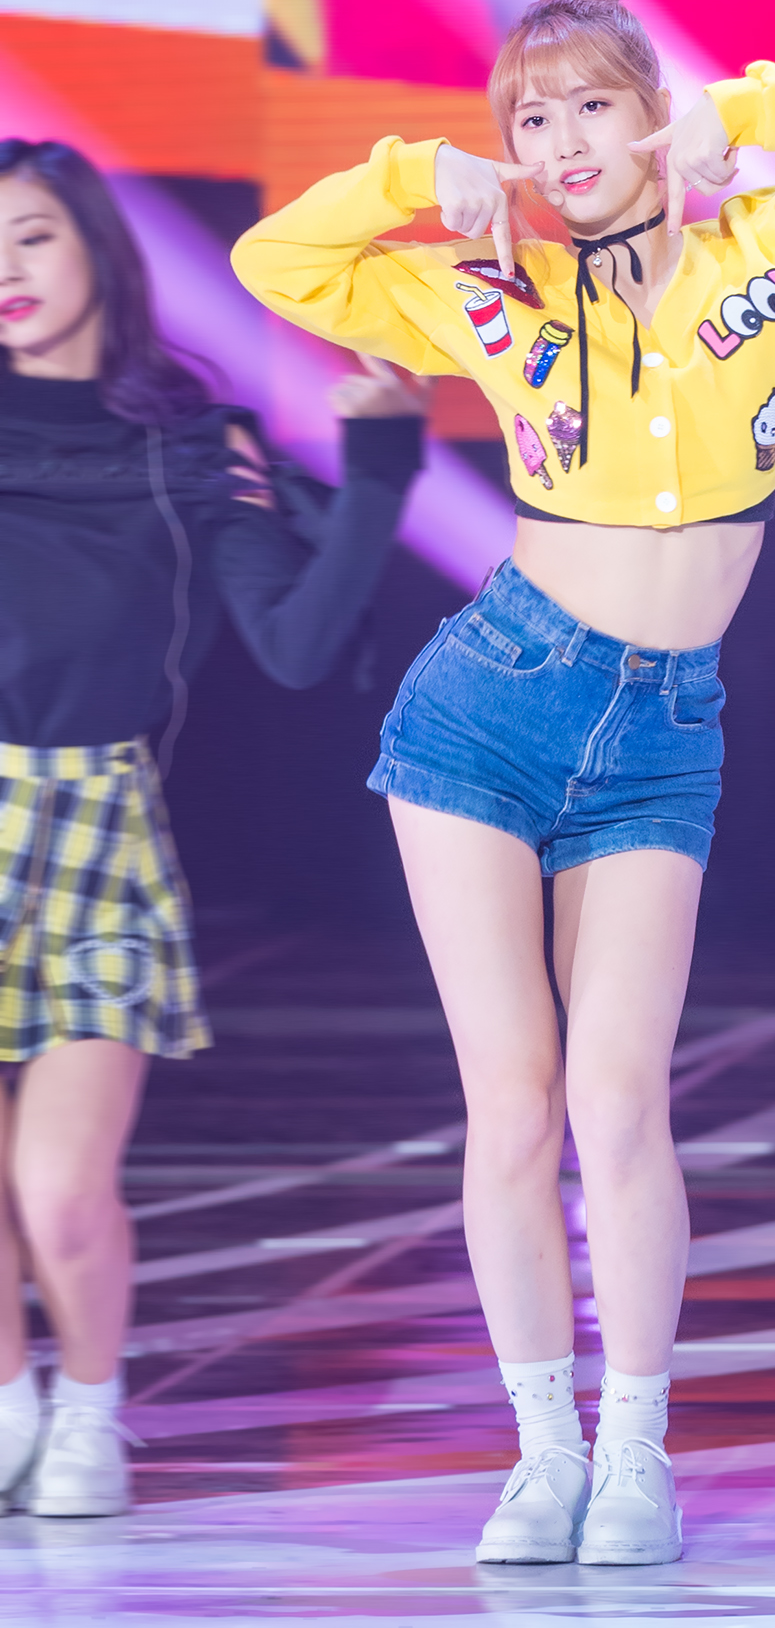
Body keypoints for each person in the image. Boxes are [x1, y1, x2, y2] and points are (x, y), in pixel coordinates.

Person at [232, 0, 775, 1566]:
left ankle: (638, 1453)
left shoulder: (772, 250)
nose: (561, 141)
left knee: (620, 1104)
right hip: (487, 706)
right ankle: (541, 1452)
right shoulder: (491, 293)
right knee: (513, 1103)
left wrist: (741, 112)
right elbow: (273, 263)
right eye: (531, 116)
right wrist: (419, 173)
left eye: (591, 105)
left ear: (651, 113)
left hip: (660, 732)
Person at [0, 138, 428, 1517]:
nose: (6, 268)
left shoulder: (187, 450)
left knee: (59, 1186)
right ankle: (9, 1407)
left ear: (97, 248)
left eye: (32, 235)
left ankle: (90, 1410)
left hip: (92, 828)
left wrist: (379, 471)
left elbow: (298, 648)